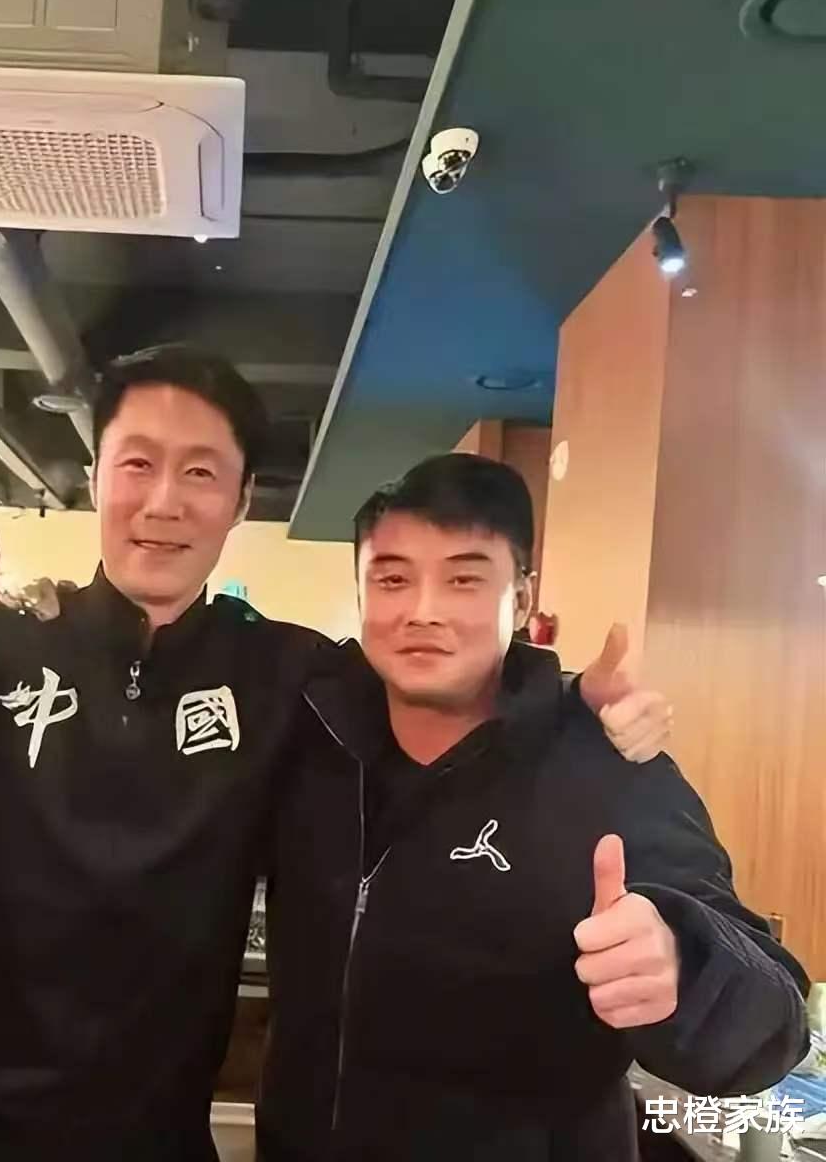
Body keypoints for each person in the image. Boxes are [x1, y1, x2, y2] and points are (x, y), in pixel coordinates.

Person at [0, 348, 672, 1162]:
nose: (163, 502)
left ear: (239, 501)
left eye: (200, 473)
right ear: (94, 476)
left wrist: (567, 701)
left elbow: (439, 690)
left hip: (160, 1141)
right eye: (136, 464)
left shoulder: (293, 677)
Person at [257, 454, 810, 1162]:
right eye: (392, 579)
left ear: (521, 600)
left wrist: (683, 963)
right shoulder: (311, 737)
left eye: (464, 579)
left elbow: (775, 1018)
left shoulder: (606, 767)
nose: (423, 609)